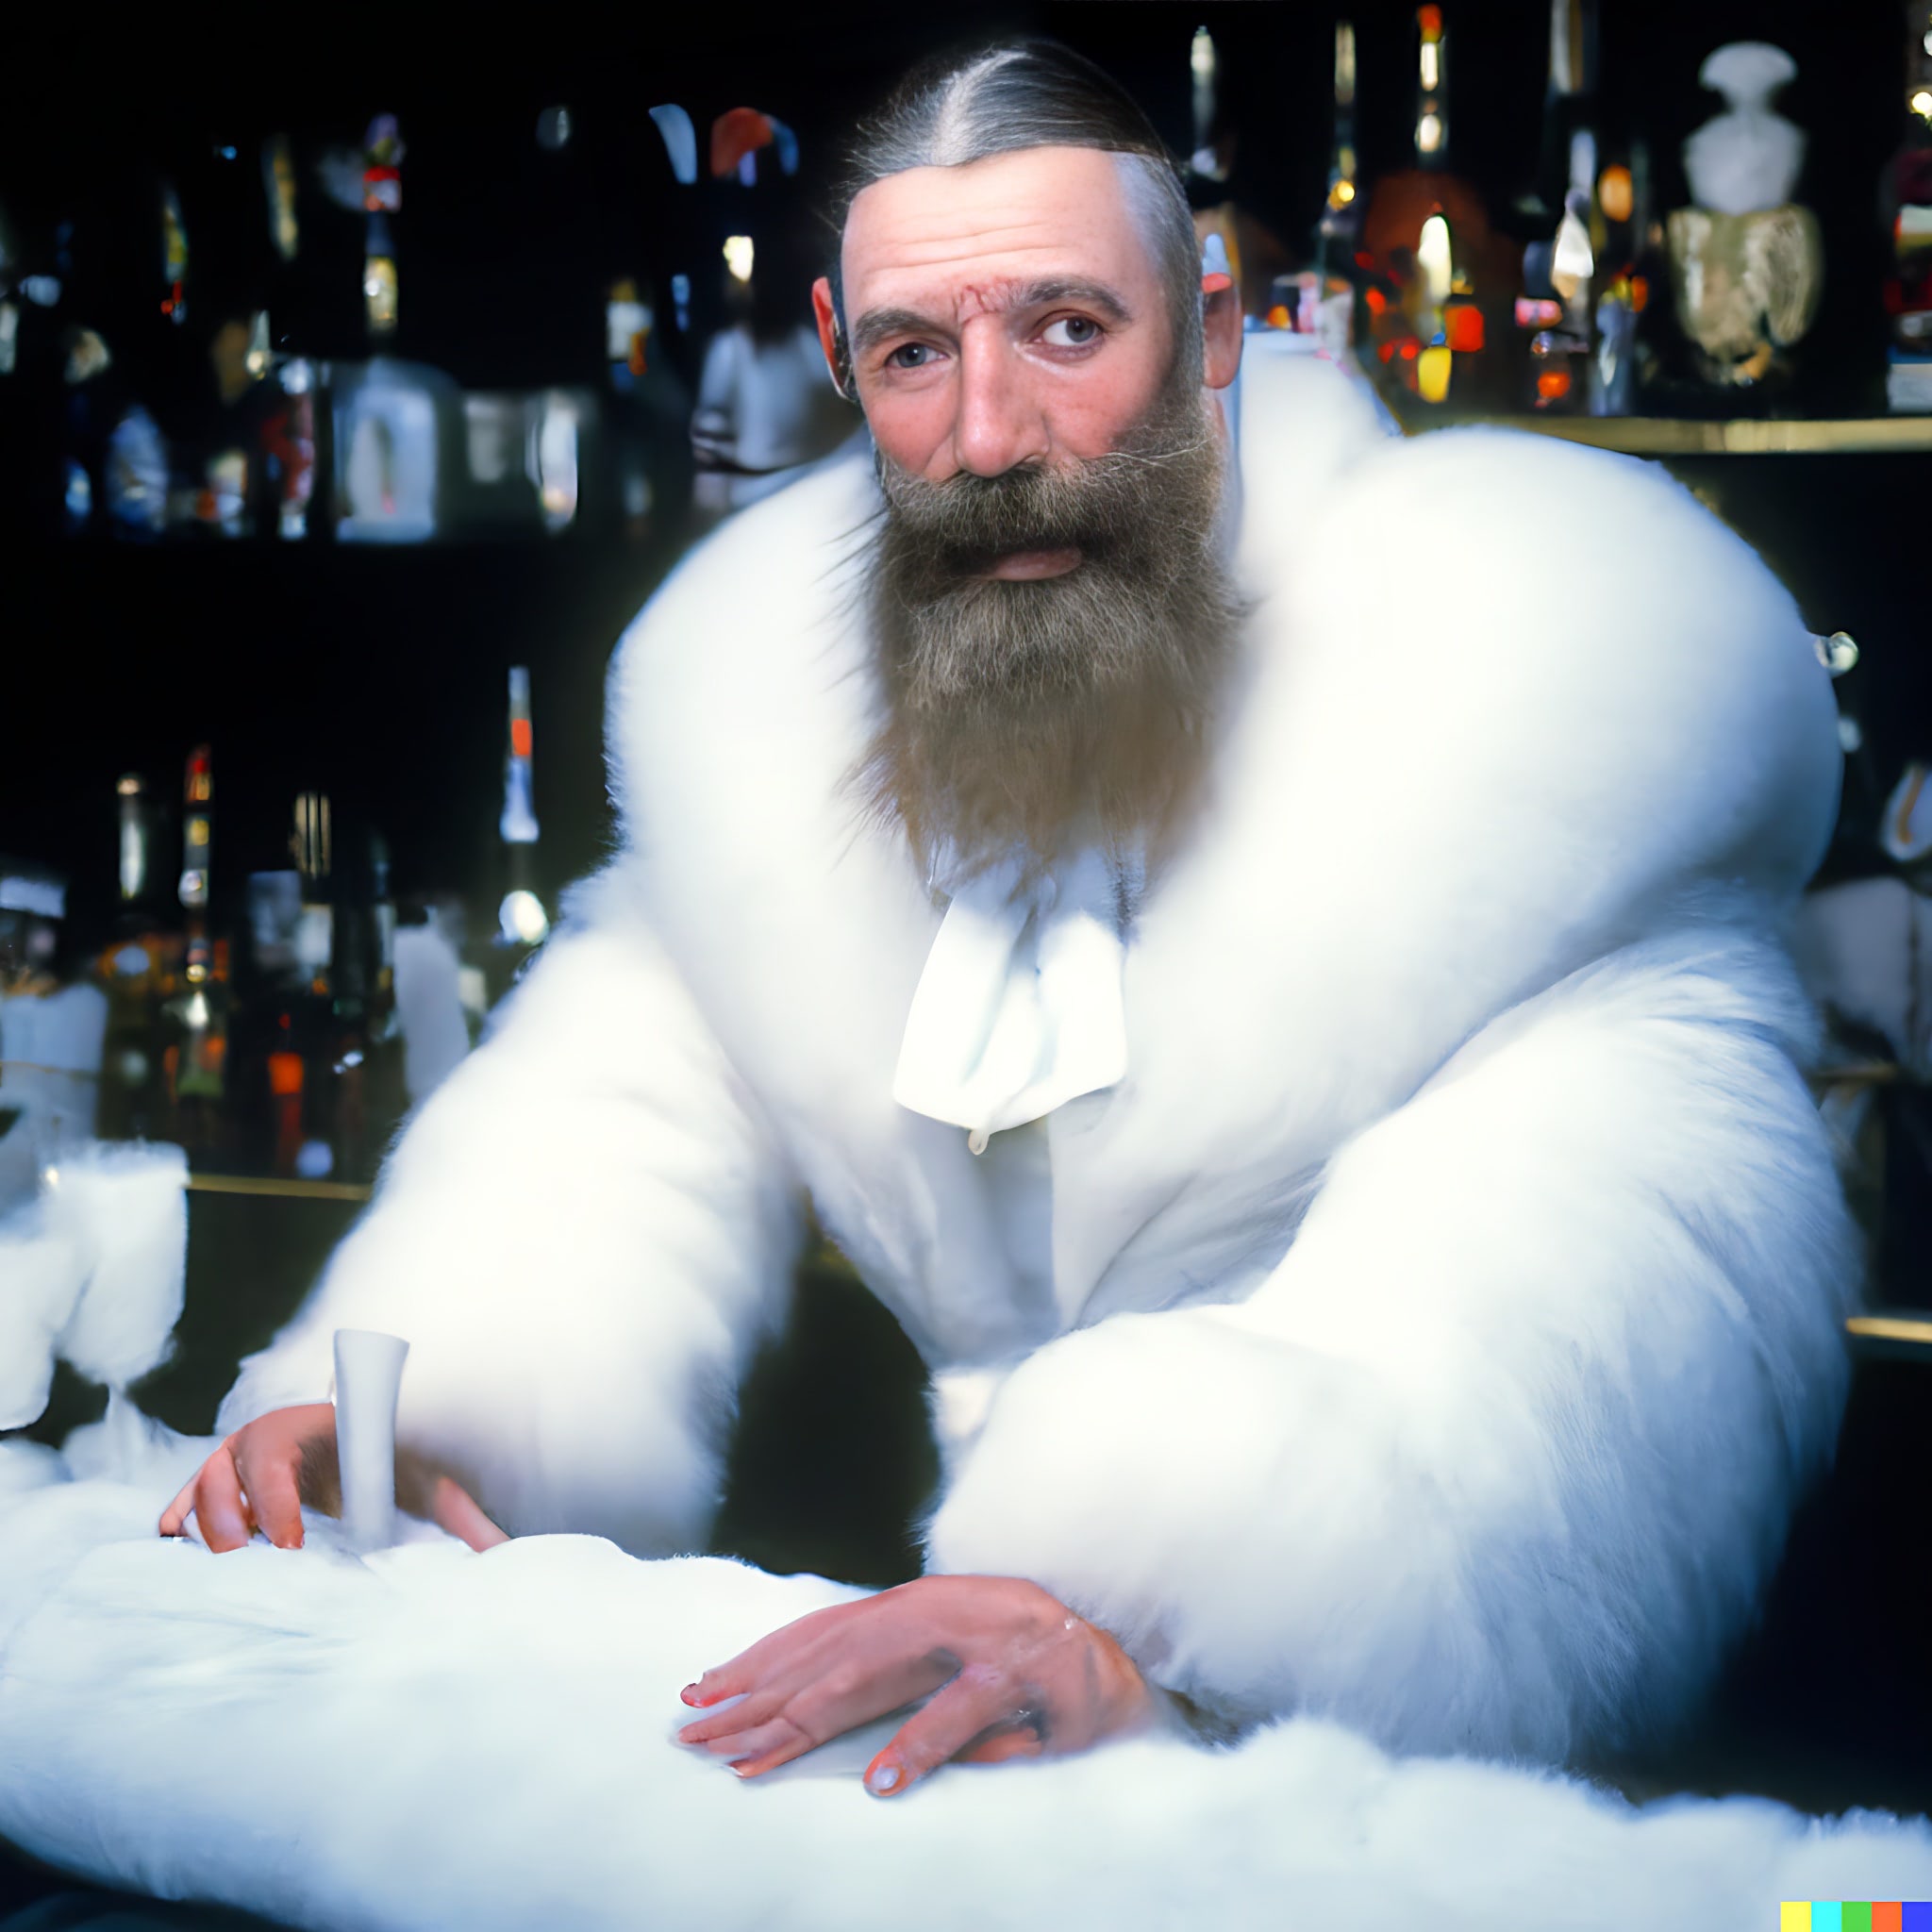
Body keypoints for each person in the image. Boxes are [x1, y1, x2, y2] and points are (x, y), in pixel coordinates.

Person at [161, 42, 1853, 1796]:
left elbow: (1574, 1330)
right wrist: (415, 1401)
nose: (987, 441)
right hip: (943, 1763)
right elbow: (620, 1098)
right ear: (843, 361)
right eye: (915, 356)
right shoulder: (765, 724)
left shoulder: (1542, 715)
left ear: (1207, 332)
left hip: (1366, 1801)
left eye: (1063, 331)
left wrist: (1169, 1609)